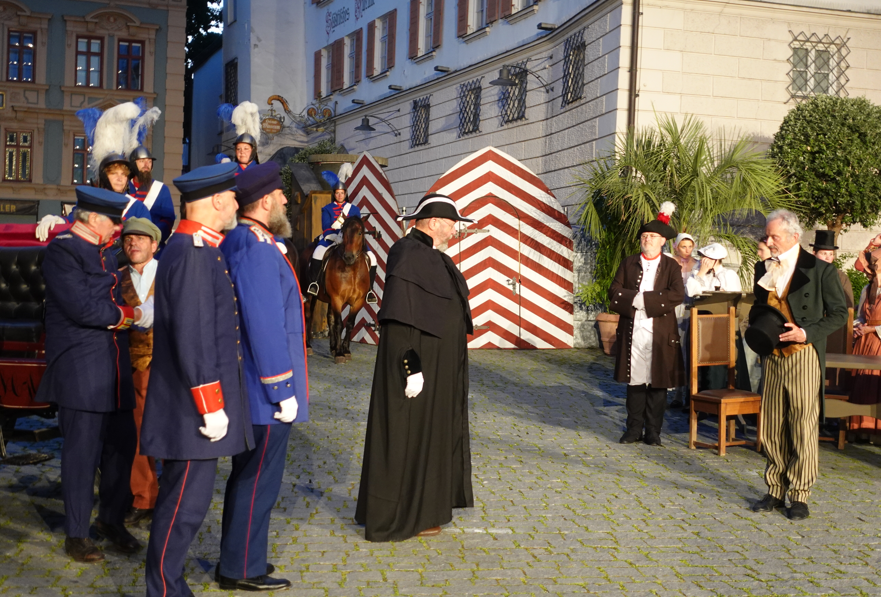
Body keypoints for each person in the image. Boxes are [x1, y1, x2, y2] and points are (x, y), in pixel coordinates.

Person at [140, 163, 255, 597]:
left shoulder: (200, 248)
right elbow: (194, 336)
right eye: (233, 199)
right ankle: (164, 590)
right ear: (218, 201)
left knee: (185, 504)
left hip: (193, 407)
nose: (237, 207)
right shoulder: (191, 252)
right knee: (182, 508)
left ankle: (168, 585)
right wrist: (211, 404)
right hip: (192, 411)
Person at [35, 187, 153, 563]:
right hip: (81, 369)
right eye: (114, 221)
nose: (119, 229)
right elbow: (84, 308)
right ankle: (76, 533)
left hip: (113, 367)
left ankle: (111, 520)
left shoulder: (104, 253)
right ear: (92, 218)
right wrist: (131, 317)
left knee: (121, 447)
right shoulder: (63, 250)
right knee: (81, 455)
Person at [355, 193, 475, 541]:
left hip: (439, 367)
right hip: (420, 369)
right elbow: (399, 316)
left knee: (430, 436)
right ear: (434, 221)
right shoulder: (409, 254)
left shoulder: (430, 255)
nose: (456, 230)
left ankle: (426, 508)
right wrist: (412, 367)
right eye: (453, 223)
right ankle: (402, 513)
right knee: (410, 437)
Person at [215, 162, 308, 591]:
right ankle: (240, 568)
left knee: (251, 476)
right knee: (257, 480)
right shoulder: (255, 246)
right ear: (266, 200)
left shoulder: (249, 240)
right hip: (263, 389)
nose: (287, 199)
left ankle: (245, 557)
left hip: (255, 385)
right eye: (281, 194)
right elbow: (264, 322)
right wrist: (281, 387)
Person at [747, 209, 847, 521]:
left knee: (803, 425)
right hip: (773, 355)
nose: (769, 241)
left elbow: (840, 313)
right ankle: (775, 490)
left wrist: (806, 333)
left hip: (803, 354)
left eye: (774, 236)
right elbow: (762, 308)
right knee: (774, 425)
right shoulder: (762, 267)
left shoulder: (821, 271)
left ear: (794, 237)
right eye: (767, 236)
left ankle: (800, 495)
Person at [608, 202, 684, 446]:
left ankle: (653, 432)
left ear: (663, 240)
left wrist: (644, 300)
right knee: (636, 382)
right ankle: (633, 430)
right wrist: (636, 301)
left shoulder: (671, 265)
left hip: (660, 333)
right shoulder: (628, 262)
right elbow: (614, 292)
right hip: (633, 331)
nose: (647, 240)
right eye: (644, 236)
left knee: (657, 383)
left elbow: (676, 295)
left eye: (652, 236)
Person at [118, 218, 162, 527]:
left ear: (154, 244)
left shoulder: (171, 274)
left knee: (176, 436)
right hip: (134, 367)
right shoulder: (116, 278)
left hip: (171, 368)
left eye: (141, 238)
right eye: (128, 239)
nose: (134, 243)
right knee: (137, 436)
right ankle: (144, 497)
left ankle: (175, 497)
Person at [35, 153, 151, 241]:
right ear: (104, 176)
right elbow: (73, 220)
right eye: (114, 173)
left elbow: (146, 238)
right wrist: (57, 219)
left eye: (123, 175)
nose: (120, 179)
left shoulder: (138, 208)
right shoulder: (91, 201)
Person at [306, 179, 379, 304]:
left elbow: (357, 227)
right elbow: (326, 227)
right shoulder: (327, 209)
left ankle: (370, 290)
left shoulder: (354, 209)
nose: (340, 195)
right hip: (332, 238)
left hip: (351, 240)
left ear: (346, 194)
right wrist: (336, 237)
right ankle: (315, 283)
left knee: (372, 258)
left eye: (342, 193)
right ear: (334, 194)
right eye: (337, 193)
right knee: (317, 252)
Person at [848, 248, 881, 438]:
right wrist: (858, 327)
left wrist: (874, 330)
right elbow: (860, 316)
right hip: (865, 342)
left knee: (875, 384)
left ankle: (875, 431)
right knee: (861, 383)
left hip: (878, 342)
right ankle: (859, 430)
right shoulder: (867, 289)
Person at [670, 233, 699, 409]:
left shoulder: (698, 264)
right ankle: (677, 393)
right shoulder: (671, 262)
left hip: (691, 307)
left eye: (690, 247)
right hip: (675, 307)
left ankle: (690, 393)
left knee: (690, 351)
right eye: (683, 247)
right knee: (676, 350)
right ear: (676, 247)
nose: (687, 250)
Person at [128, 146, 176, 245]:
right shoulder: (124, 188)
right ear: (133, 164)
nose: (147, 165)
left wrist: (152, 236)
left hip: (152, 243)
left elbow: (168, 220)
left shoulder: (161, 189)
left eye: (149, 161)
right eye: (142, 161)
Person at [810, 230, 854, 310]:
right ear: (814, 254)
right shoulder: (806, 273)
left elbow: (848, 305)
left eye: (831, 254)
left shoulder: (841, 277)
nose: (828, 257)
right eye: (824, 254)